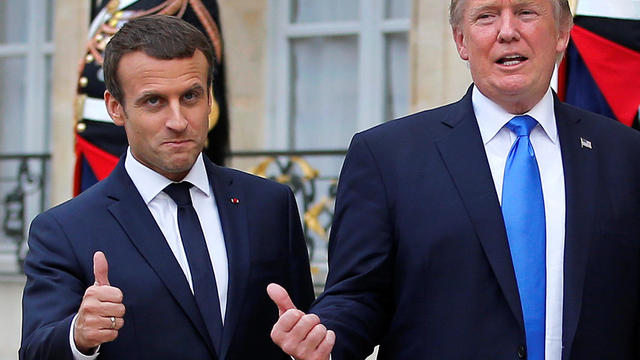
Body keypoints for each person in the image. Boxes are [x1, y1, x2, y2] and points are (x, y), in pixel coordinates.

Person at [267, 0, 640, 359]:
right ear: (461, 40)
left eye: (526, 12)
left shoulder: (625, 155)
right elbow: (358, 296)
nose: (507, 31)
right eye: (486, 16)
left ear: (562, 32)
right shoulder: (387, 157)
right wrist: (324, 340)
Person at [20, 15, 314, 360]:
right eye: (154, 101)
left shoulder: (270, 204)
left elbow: (302, 327)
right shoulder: (65, 229)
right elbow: (36, 350)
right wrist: (78, 335)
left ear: (209, 100)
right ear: (116, 108)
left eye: (190, 96)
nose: (178, 121)